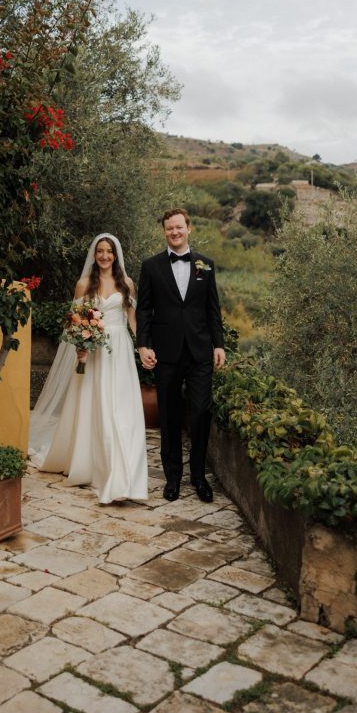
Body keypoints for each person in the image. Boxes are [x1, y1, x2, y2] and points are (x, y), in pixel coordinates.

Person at [28, 233, 148, 505]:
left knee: (121, 409)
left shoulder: (126, 283)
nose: (104, 256)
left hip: (119, 352)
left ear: (116, 255)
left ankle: (123, 471)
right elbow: (75, 322)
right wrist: (80, 346)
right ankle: (97, 466)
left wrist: (143, 348)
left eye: (109, 251)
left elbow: (132, 320)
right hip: (93, 353)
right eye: (100, 251)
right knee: (97, 405)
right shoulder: (83, 284)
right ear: (94, 255)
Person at [136, 208, 226, 503]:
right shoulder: (151, 266)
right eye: (169, 228)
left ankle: (199, 477)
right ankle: (172, 478)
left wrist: (218, 344)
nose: (174, 232)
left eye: (179, 227)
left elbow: (213, 309)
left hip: (199, 352)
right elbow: (144, 310)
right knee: (169, 415)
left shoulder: (206, 265)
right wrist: (143, 345)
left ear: (189, 228)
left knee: (200, 413)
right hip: (166, 352)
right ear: (164, 231)